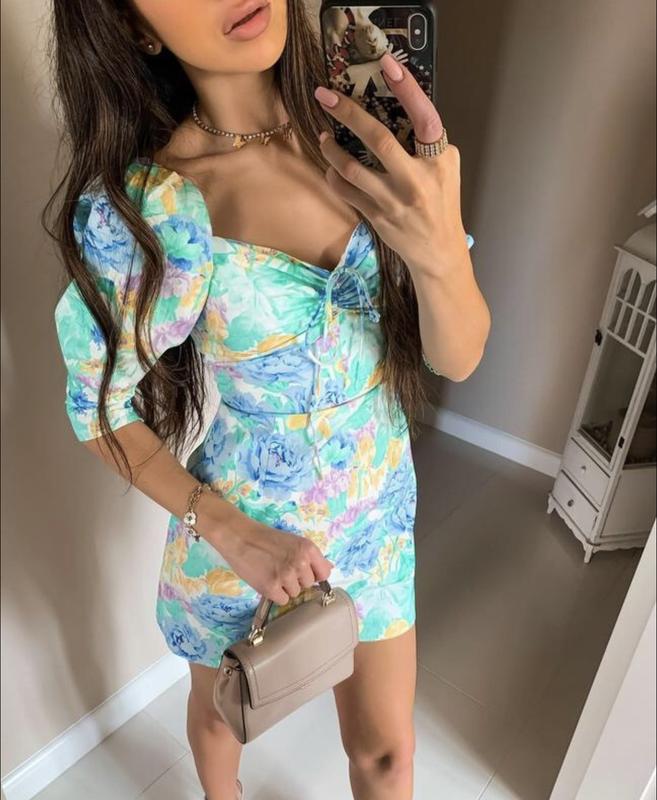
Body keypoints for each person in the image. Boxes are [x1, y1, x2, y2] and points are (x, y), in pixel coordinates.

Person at [47, 1, 490, 798]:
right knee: (227, 716)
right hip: (241, 534)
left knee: (387, 755)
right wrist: (232, 533)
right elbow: (98, 410)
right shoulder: (158, 208)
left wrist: (438, 254)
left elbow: (455, 356)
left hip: (376, 516)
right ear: (137, 28)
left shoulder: (368, 136)